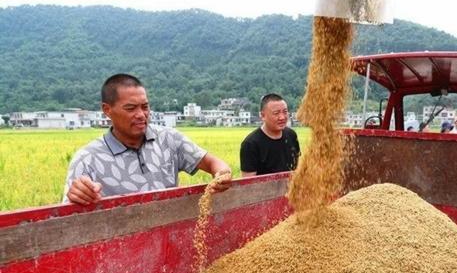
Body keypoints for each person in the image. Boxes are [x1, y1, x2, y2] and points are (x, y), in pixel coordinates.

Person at [64, 74, 232, 205]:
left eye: (145, 107)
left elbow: (213, 163)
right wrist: (77, 195)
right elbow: (67, 213)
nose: (140, 115)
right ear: (107, 110)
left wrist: (222, 173)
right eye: (130, 108)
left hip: (168, 240)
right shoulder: (87, 160)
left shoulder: (168, 139)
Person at [240, 93, 300, 177]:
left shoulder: (291, 135)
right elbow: (248, 183)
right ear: (262, 115)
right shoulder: (250, 144)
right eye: (276, 113)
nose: (282, 117)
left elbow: (298, 167)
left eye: (285, 112)